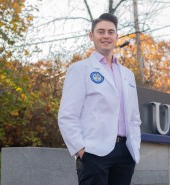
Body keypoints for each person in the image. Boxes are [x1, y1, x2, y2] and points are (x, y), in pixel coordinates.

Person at [58, 13, 141, 185]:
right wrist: (81, 150)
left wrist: (135, 147)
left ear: (116, 37)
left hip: (125, 152)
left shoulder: (127, 74)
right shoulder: (80, 69)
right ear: (91, 36)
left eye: (111, 32)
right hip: (93, 153)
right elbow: (67, 115)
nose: (106, 36)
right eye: (101, 31)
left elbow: (134, 116)